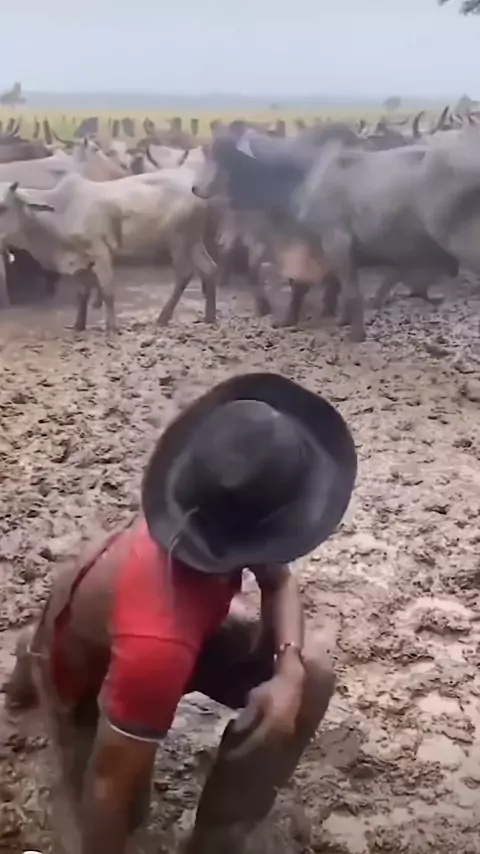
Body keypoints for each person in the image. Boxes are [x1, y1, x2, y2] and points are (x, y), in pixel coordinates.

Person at [4, 372, 357, 854]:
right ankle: (37, 668)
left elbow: (279, 580)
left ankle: (218, 839)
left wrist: (289, 672)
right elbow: (108, 787)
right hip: (108, 675)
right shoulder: (157, 640)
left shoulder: (211, 503)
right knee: (122, 816)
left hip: (164, 634)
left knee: (313, 675)